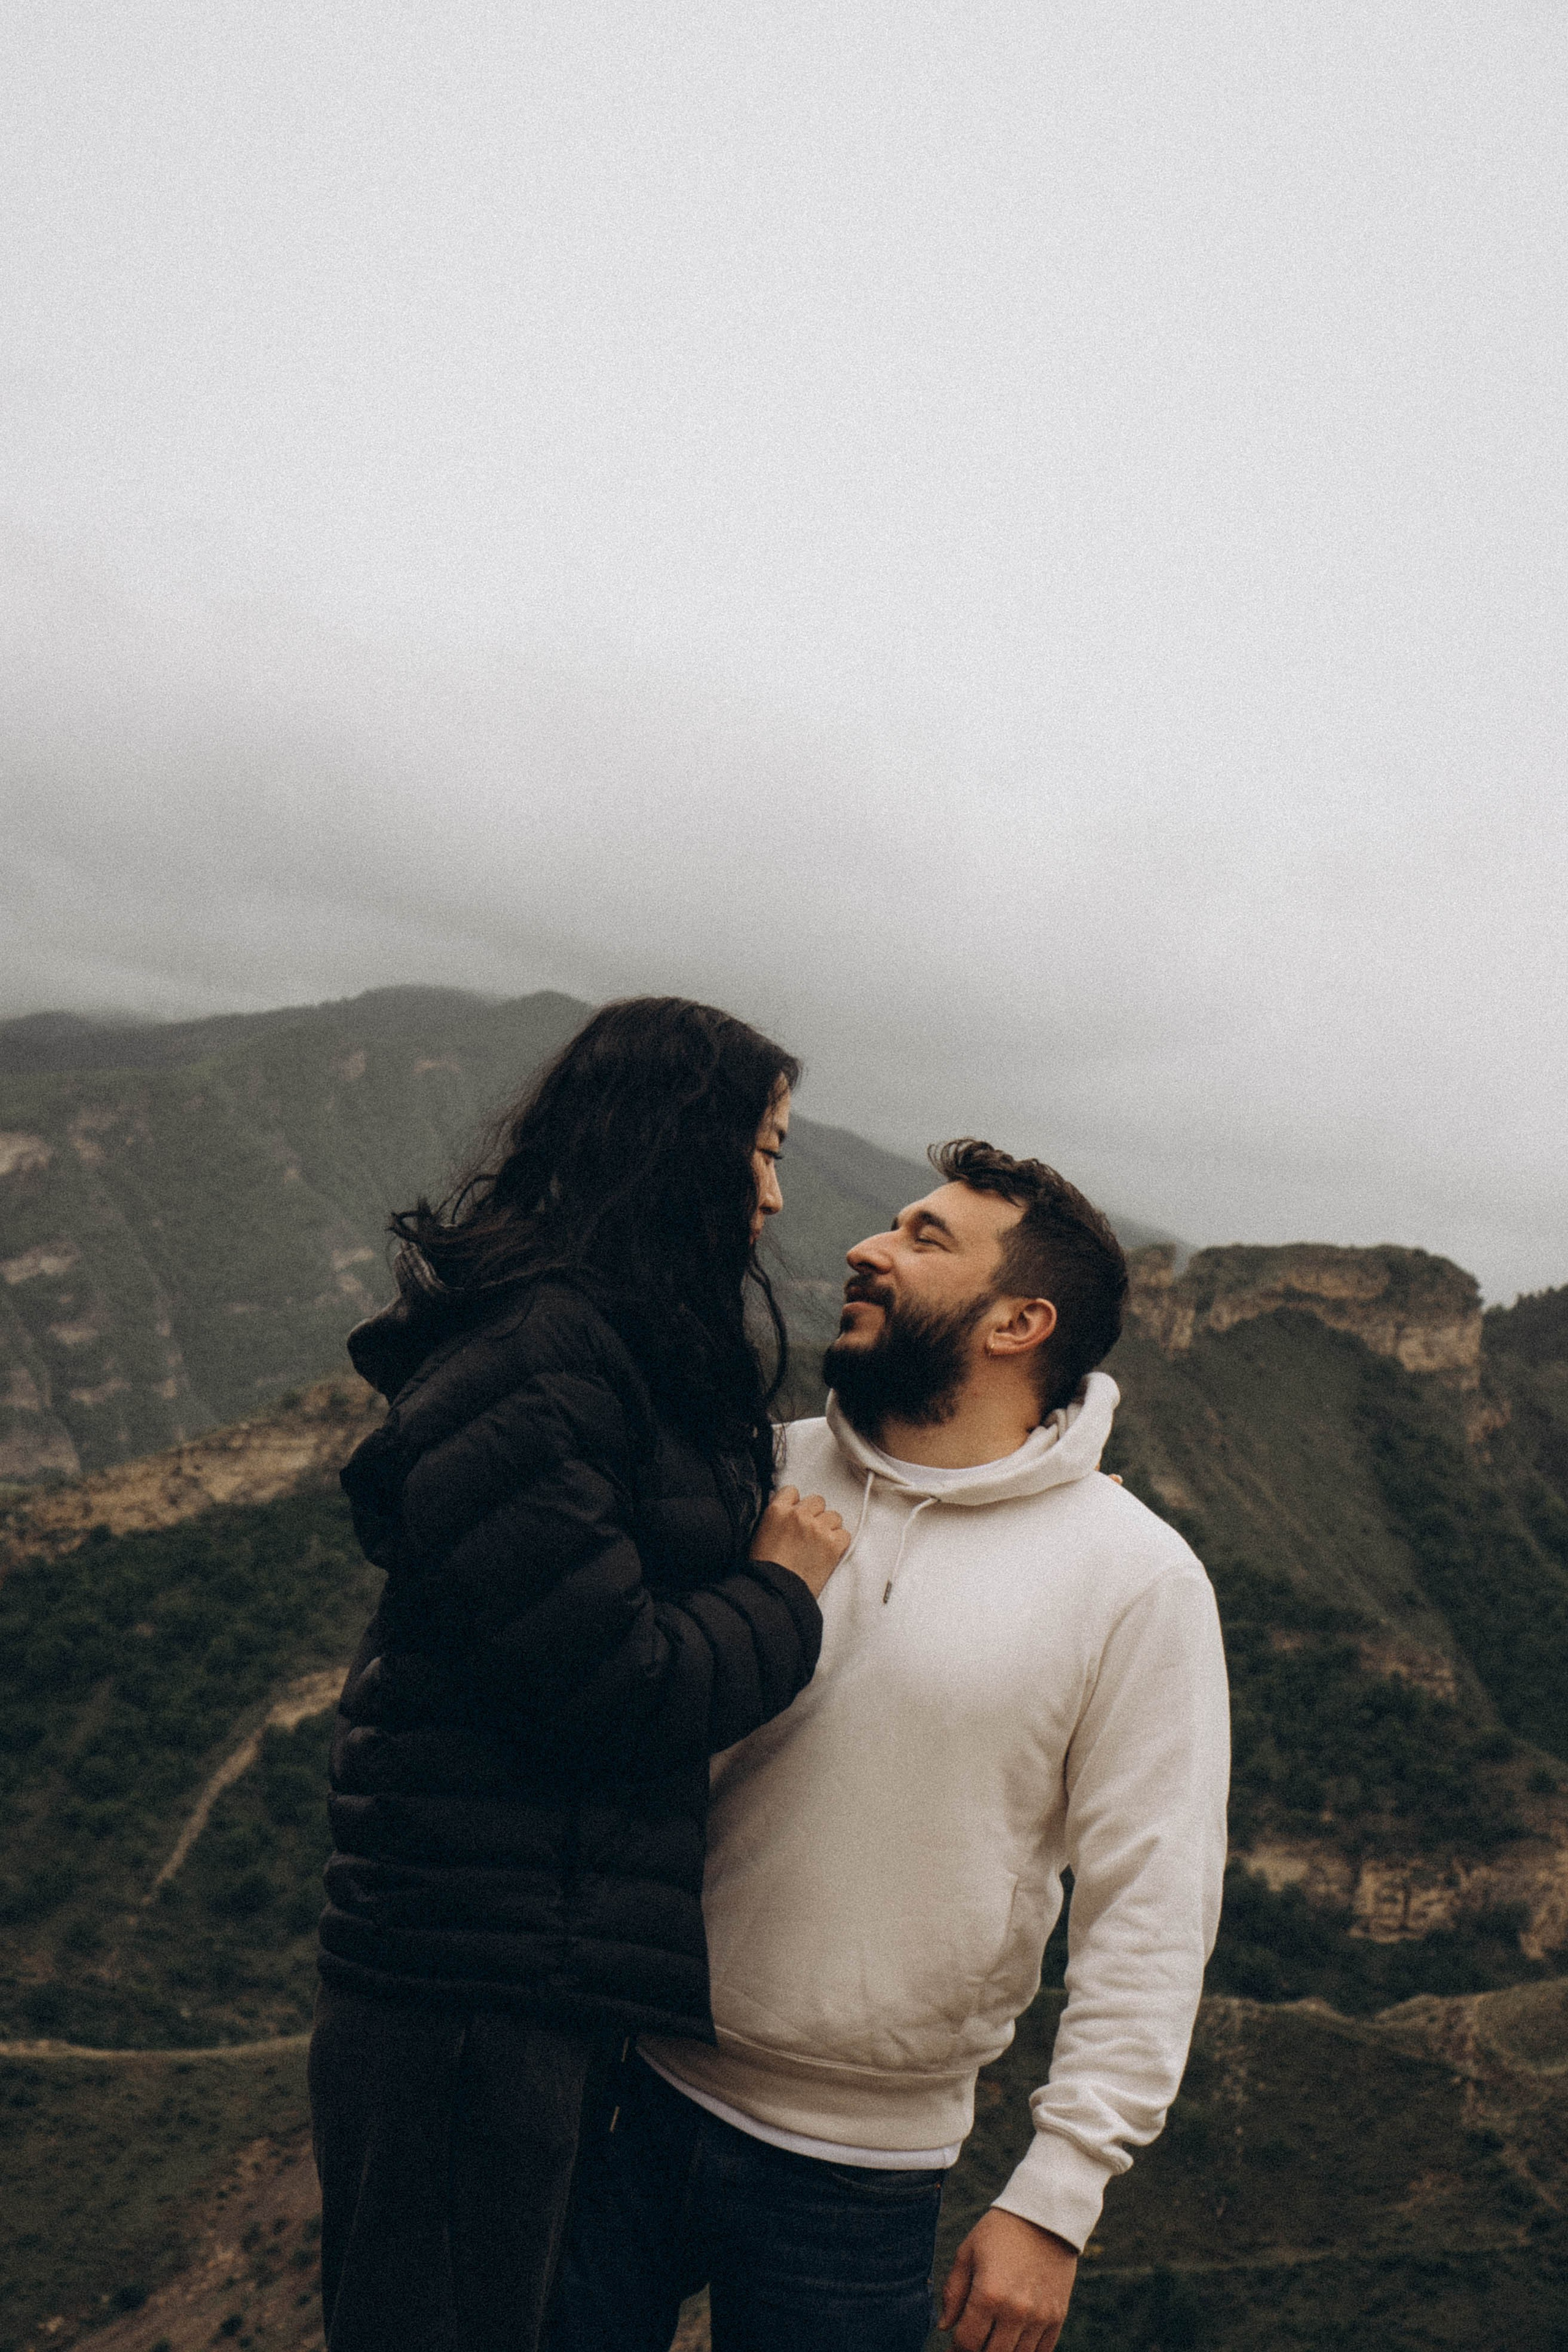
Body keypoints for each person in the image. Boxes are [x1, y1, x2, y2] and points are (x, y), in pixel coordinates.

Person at [547, 1138, 1231, 2352]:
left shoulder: (1134, 1578)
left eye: (921, 1239)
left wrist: (1057, 2198)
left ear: (1019, 1320)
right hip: (615, 2103)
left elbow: (1152, 1902)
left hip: (857, 2185)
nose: (863, 1245)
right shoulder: (754, 1470)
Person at [307, 997, 850, 2352]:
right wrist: (783, 1598)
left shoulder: (604, 1349)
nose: (776, 1197)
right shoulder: (536, 1357)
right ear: (677, 1149)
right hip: (465, 1992)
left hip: (533, 1971)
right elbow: (617, 1681)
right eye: (762, 1151)